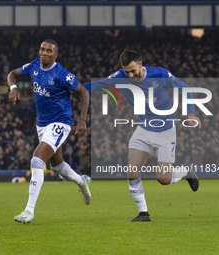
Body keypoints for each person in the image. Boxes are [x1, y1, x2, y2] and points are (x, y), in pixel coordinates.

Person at [84, 49, 201, 222]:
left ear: (140, 63)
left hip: (165, 130)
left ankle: (185, 171)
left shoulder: (159, 73)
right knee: (132, 173)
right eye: (127, 72)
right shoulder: (120, 77)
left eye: (133, 70)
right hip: (143, 129)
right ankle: (144, 213)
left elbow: (183, 87)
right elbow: (97, 85)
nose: (130, 75)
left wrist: (191, 114)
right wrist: (71, 87)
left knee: (163, 179)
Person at [7, 39, 91, 224]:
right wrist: (13, 88)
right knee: (57, 166)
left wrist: (82, 119)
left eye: (48, 51)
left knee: (37, 160)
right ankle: (81, 182)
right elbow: (12, 74)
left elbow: (84, 92)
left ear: (55, 55)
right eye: (42, 49)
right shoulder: (34, 66)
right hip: (42, 124)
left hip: (60, 122)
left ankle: (29, 211)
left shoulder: (61, 75)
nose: (44, 53)